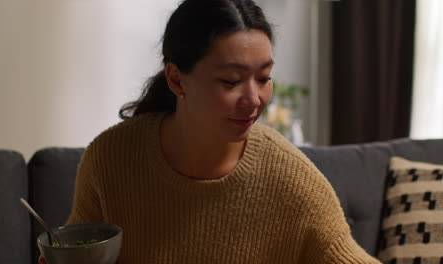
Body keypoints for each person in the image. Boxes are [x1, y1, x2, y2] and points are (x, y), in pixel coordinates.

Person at [39, 0, 382, 263]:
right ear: (176, 80)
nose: (253, 99)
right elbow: (79, 244)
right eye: (231, 81)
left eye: (263, 78)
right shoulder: (111, 157)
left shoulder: (290, 178)